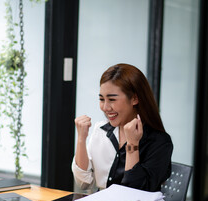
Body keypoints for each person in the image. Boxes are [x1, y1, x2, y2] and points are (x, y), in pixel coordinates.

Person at [72, 63, 173, 192]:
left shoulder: (159, 141)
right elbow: (83, 183)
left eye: (112, 100)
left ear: (134, 99)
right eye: (102, 99)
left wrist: (132, 145)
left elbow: (133, 193)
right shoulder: (100, 130)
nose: (106, 107)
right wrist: (81, 138)